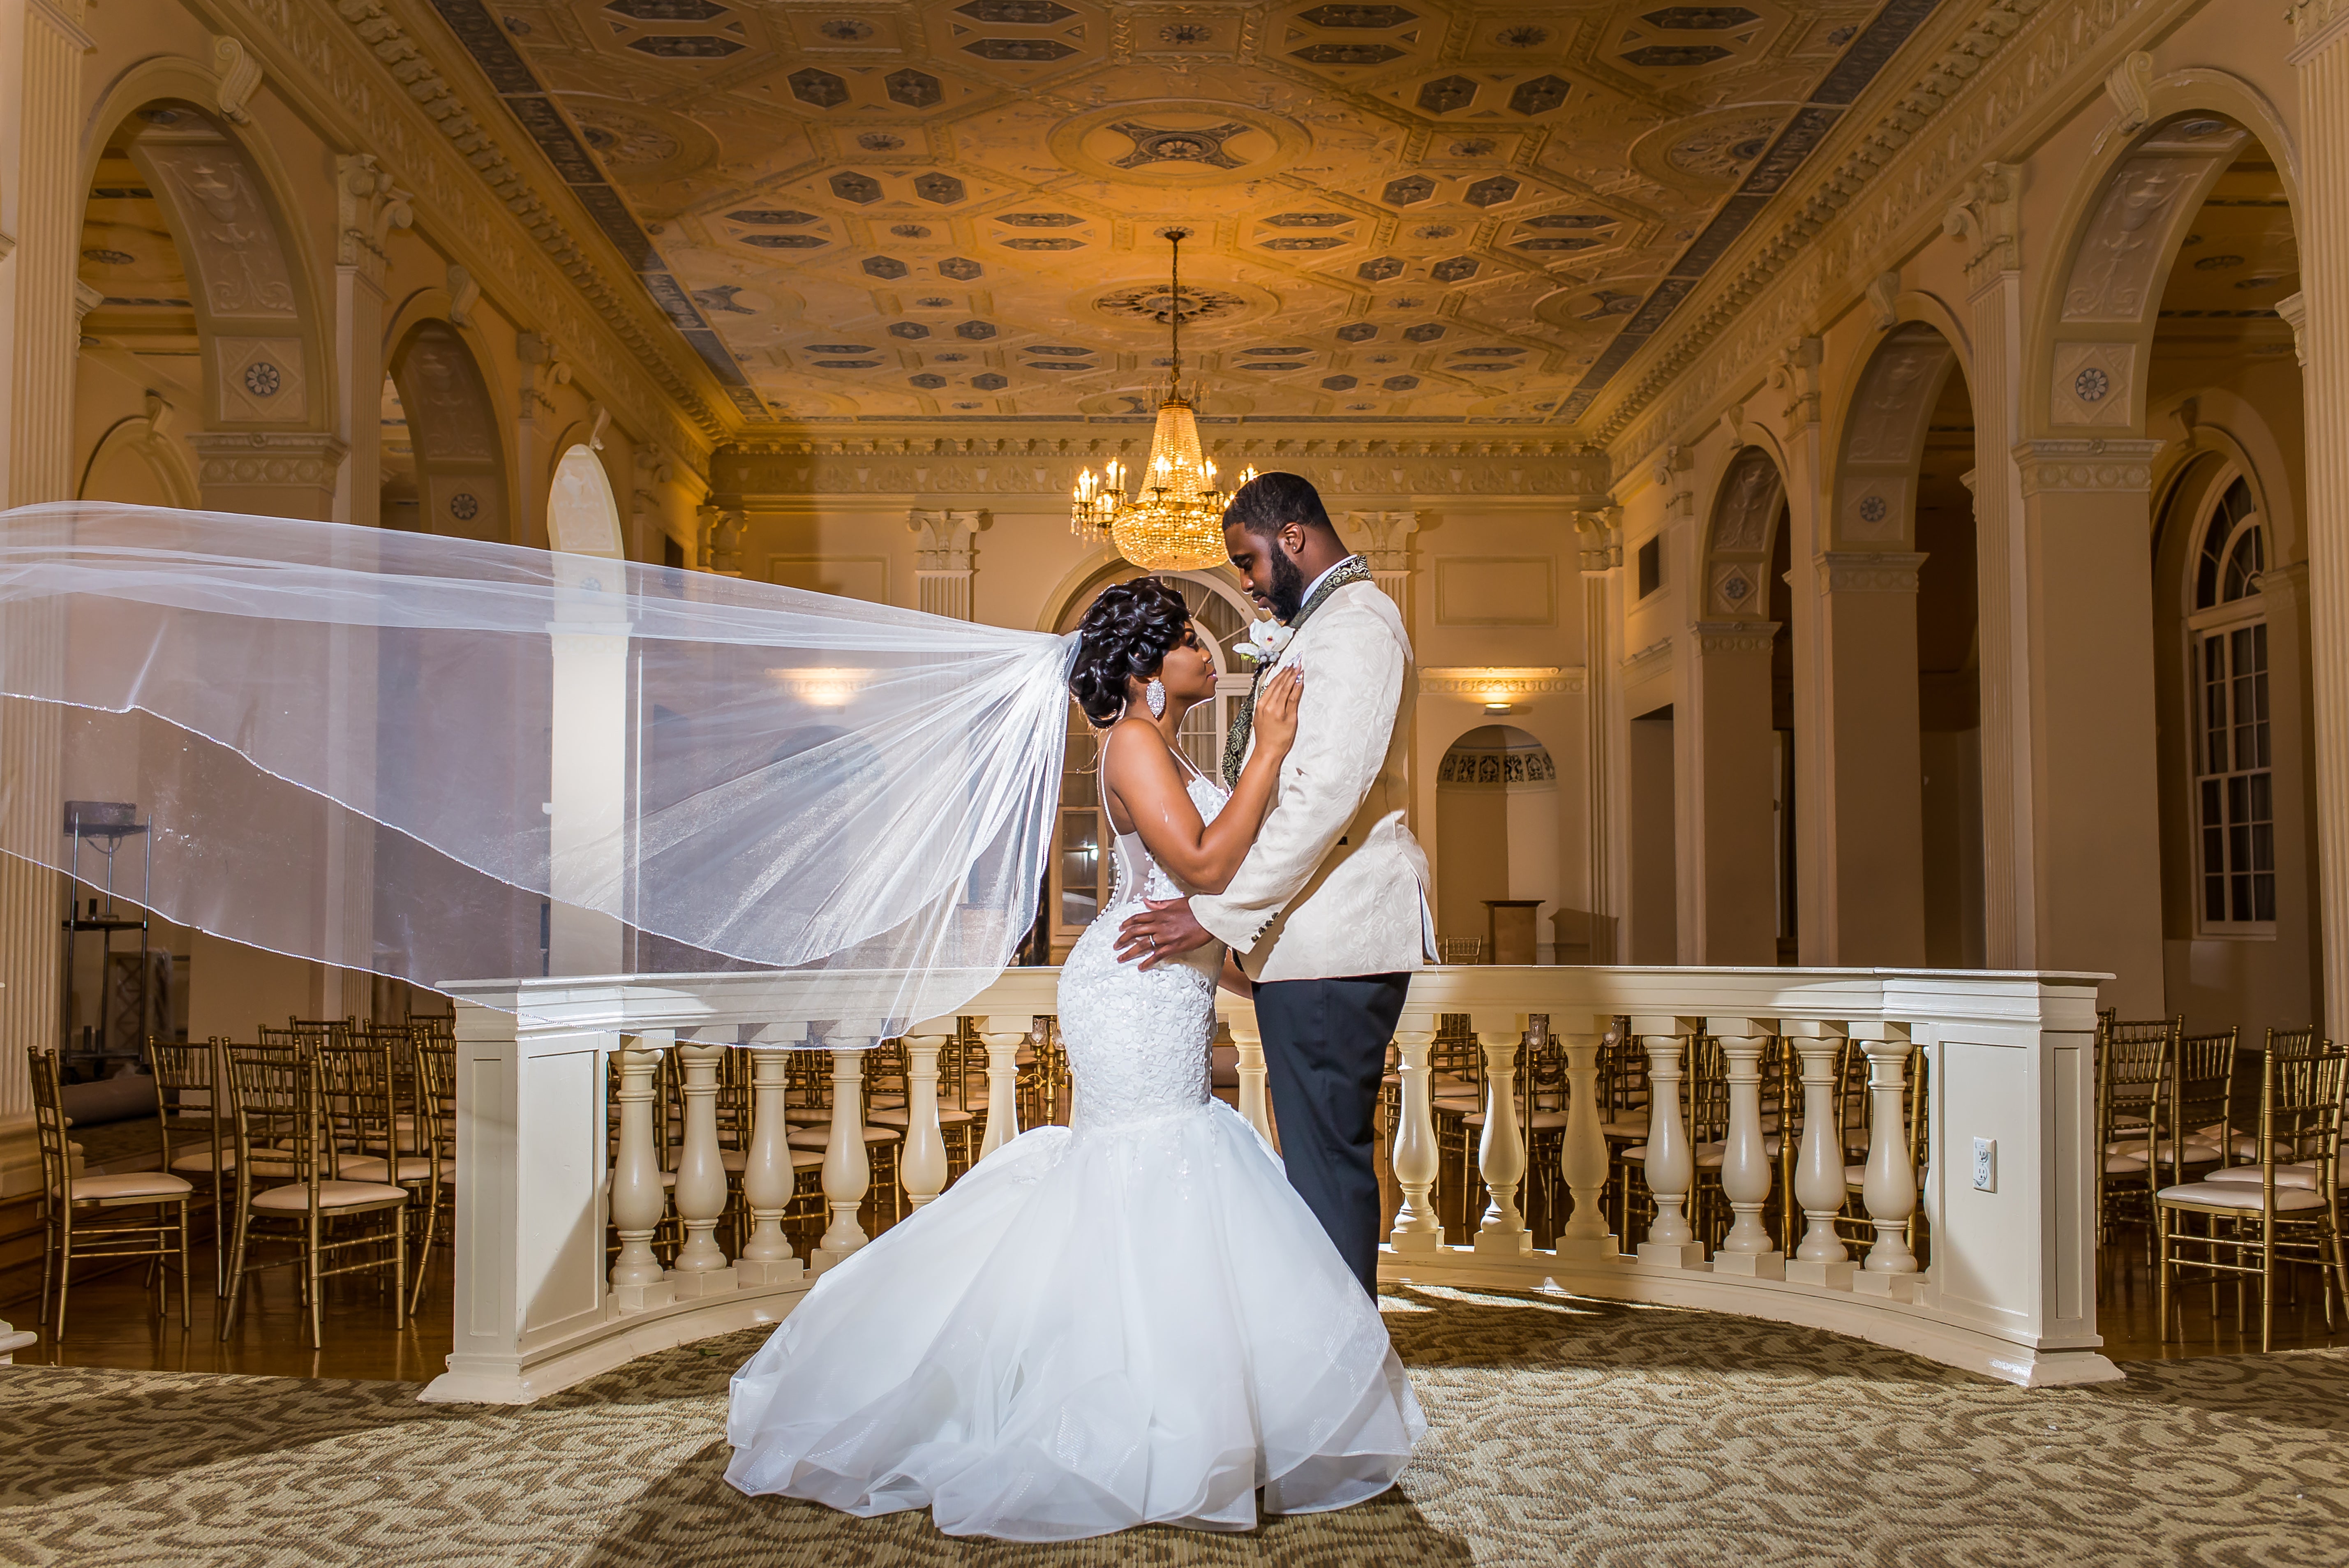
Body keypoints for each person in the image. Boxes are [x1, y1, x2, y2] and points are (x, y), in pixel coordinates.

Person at [723, 576, 1425, 1541]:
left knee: (1171, 1176)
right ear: (1144, 663)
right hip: (1127, 996)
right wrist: (1267, 750)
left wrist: (1260, 981)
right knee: (1146, 1168)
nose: (1203, 648)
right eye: (1183, 636)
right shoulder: (1131, 744)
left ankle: (1177, 1409)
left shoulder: (1159, 742)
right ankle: (1114, 1413)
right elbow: (1208, 868)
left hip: (1164, 979)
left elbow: (1177, 913)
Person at [1116, 471, 1434, 1297]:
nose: (1249, 585)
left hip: (1336, 937)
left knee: (1325, 1170)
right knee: (1317, 1166)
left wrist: (1218, 919)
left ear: (1291, 538)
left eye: (1248, 564)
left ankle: (1341, 1378)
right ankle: (1332, 1365)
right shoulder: (1325, 624)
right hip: (1308, 940)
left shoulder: (1357, 624)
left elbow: (1324, 797)